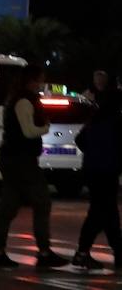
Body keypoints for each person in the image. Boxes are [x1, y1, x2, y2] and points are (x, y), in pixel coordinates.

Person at [0, 63, 68, 269]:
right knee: (42, 201)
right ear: (32, 80)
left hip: (12, 158)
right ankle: (44, 252)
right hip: (21, 160)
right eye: (40, 79)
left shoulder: (17, 98)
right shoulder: (24, 101)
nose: (41, 84)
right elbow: (29, 132)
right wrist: (45, 128)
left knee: (9, 205)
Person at [71, 89, 122, 270]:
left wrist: (94, 152)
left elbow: (80, 139)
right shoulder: (117, 121)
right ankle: (82, 252)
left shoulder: (97, 118)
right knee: (100, 213)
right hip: (107, 171)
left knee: (108, 212)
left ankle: (117, 251)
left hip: (92, 170)